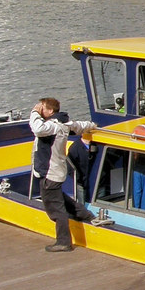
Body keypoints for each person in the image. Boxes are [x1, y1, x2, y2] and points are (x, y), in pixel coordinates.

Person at [30, 98, 97, 252]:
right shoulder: (64, 123)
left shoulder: (52, 126)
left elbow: (37, 129)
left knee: (55, 209)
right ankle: (86, 215)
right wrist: (93, 126)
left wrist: (34, 112)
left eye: (43, 108)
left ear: (51, 111)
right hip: (55, 172)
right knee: (60, 199)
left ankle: (63, 242)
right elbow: (80, 126)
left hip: (49, 173)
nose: (41, 110)